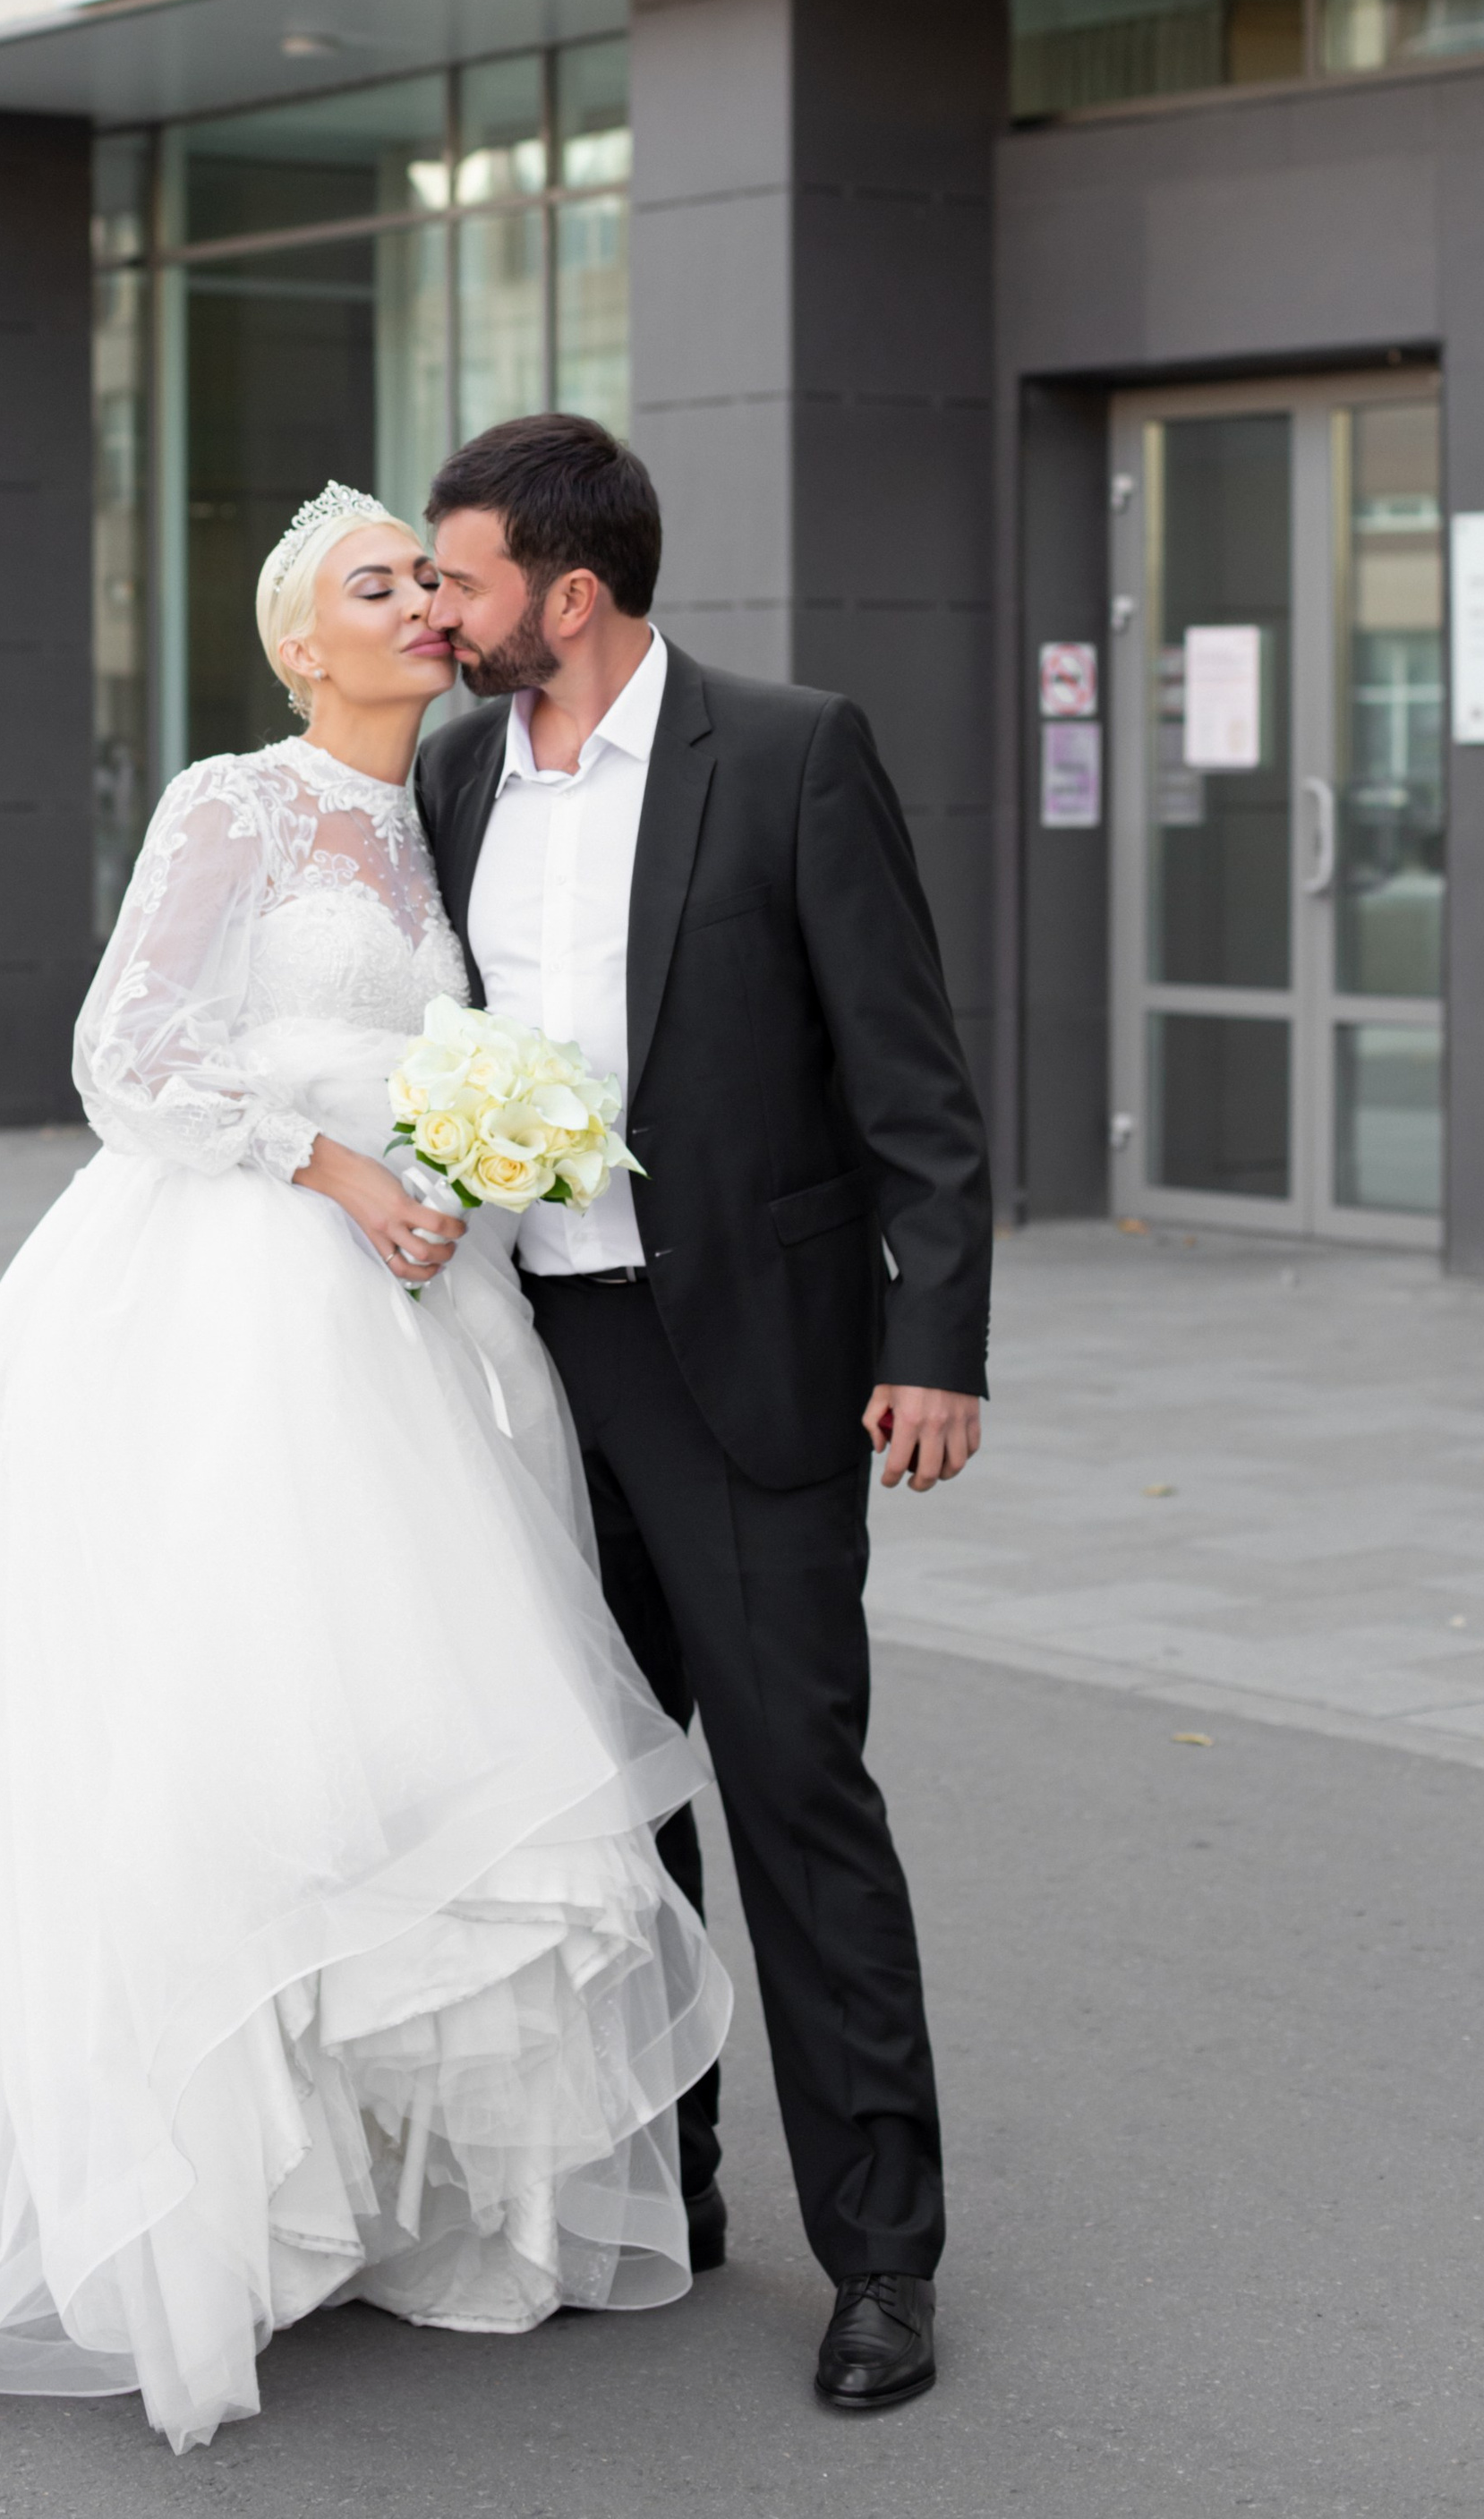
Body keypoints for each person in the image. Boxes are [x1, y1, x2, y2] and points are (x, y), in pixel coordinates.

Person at [0, 483, 730, 2456]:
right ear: (295, 642)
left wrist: (468, 1173)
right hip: (234, 1304)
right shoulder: (238, 801)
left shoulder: (450, 813)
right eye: (370, 581)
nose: (411, 600)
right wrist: (333, 1169)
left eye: (424, 573)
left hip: (417, 1320)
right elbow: (123, 1050)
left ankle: (371, 2182)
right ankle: (205, 2198)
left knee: (398, 1731)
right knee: (227, 1731)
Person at [416, 412, 992, 2418]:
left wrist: (936, 1341)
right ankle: (660, 2191)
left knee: (790, 1798)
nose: (438, 609)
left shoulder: (792, 750)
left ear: (565, 594)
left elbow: (909, 1079)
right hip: (528, 1368)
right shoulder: (451, 765)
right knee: (602, 1804)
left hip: (746, 1361)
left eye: (462, 578)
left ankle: (883, 2259)